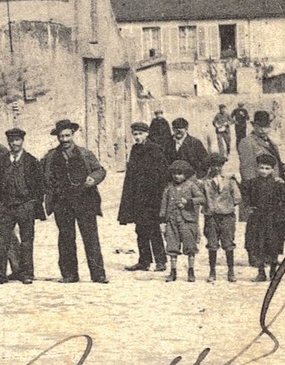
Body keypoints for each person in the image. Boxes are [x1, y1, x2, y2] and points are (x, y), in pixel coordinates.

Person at [42, 119, 108, 284]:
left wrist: (93, 179)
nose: (64, 140)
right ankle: (70, 275)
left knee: (90, 238)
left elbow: (100, 170)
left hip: (85, 201)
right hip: (62, 203)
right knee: (65, 238)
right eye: (61, 136)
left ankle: (98, 275)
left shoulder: (85, 153)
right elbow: (41, 175)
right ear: (57, 137)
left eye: (67, 136)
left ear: (73, 135)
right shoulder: (50, 156)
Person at [0, 127, 42, 284]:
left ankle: (26, 274)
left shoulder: (32, 161)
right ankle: (0, 274)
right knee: (1, 241)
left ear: (22, 141)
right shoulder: (0, 160)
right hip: (5, 205)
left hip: (25, 205)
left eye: (17, 140)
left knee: (26, 241)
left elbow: (40, 185)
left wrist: (33, 204)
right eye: (12, 141)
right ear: (8, 142)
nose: (14, 144)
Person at [117, 121, 170, 274]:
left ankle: (161, 261)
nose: (137, 137)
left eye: (140, 134)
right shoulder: (134, 149)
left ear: (147, 134)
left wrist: (156, 194)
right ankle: (144, 261)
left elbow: (162, 174)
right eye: (135, 134)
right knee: (140, 230)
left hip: (152, 198)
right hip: (138, 198)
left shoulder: (155, 150)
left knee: (153, 229)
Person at [243, 153, 285, 283]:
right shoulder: (252, 183)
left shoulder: (278, 184)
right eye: (261, 168)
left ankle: (273, 271)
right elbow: (245, 197)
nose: (264, 171)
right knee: (257, 244)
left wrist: (281, 212)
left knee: (273, 244)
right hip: (257, 219)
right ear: (257, 168)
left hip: (273, 219)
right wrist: (249, 207)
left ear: (272, 170)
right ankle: (261, 272)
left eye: (267, 168)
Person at [159, 159, 207, 282]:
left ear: (186, 174)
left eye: (180, 173)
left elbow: (202, 199)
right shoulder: (169, 187)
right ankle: (173, 271)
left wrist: (188, 202)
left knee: (190, 246)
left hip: (188, 220)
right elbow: (164, 204)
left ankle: (191, 271)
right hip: (172, 220)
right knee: (172, 245)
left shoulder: (191, 186)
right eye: (175, 173)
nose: (177, 176)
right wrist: (163, 221)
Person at [202, 153, 241, 283]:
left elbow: (237, 197)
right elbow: (201, 197)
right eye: (213, 165)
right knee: (212, 244)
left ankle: (231, 271)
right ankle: (212, 271)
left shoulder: (230, 180)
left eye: (219, 165)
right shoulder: (205, 182)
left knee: (228, 244)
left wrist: (226, 206)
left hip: (227, 216)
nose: (216, 168)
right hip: (211, 217)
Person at [237, 109, 285, 182]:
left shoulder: (271, 143)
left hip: (274, 185)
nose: (262, 130)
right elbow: (247, 171)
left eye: (265, 126)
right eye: (259, 126)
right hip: (260, 187)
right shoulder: (247, 142)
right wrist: (254, 188)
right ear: (254, 126)